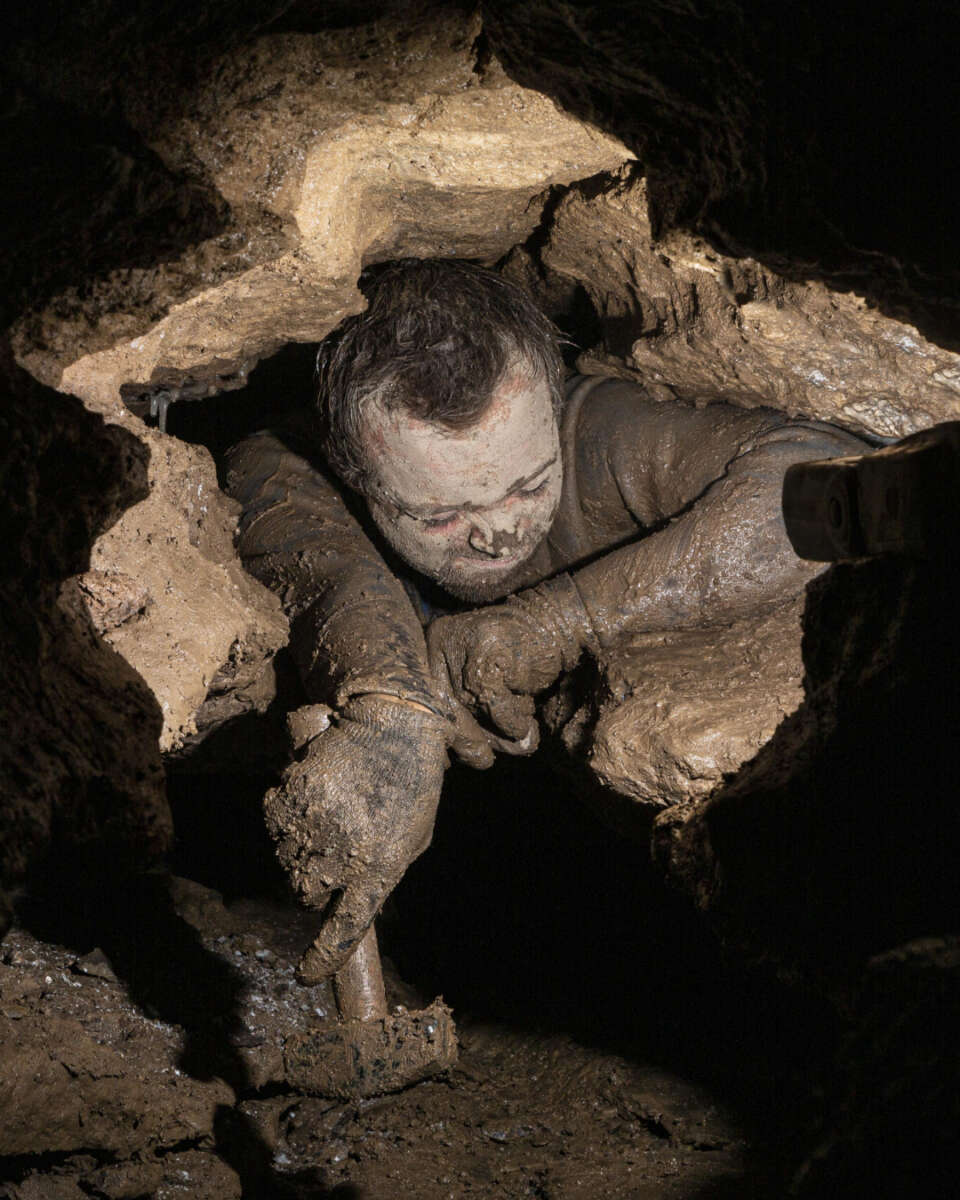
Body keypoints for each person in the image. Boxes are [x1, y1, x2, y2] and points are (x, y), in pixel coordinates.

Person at [225, 257, 865, 1033]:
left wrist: (559, 621)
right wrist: (394, 712)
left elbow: (830, 489)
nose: (498, 532)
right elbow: (321, 562)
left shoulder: (602, 436)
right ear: (351, 468)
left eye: (529, 485)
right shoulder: (285, 464)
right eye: (439, 517)